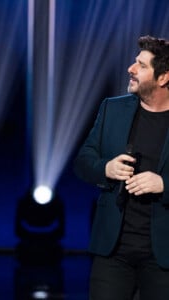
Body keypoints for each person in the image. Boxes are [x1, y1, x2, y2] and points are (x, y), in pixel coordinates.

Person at [74, 35, 169, 300]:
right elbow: (83, 161)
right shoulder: (112, 109)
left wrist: (164, 184)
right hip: (113, 251)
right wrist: (107, 168)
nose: (131, 68)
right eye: (134, 62)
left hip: (162, 256)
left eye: (141, 65)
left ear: (163, 78)